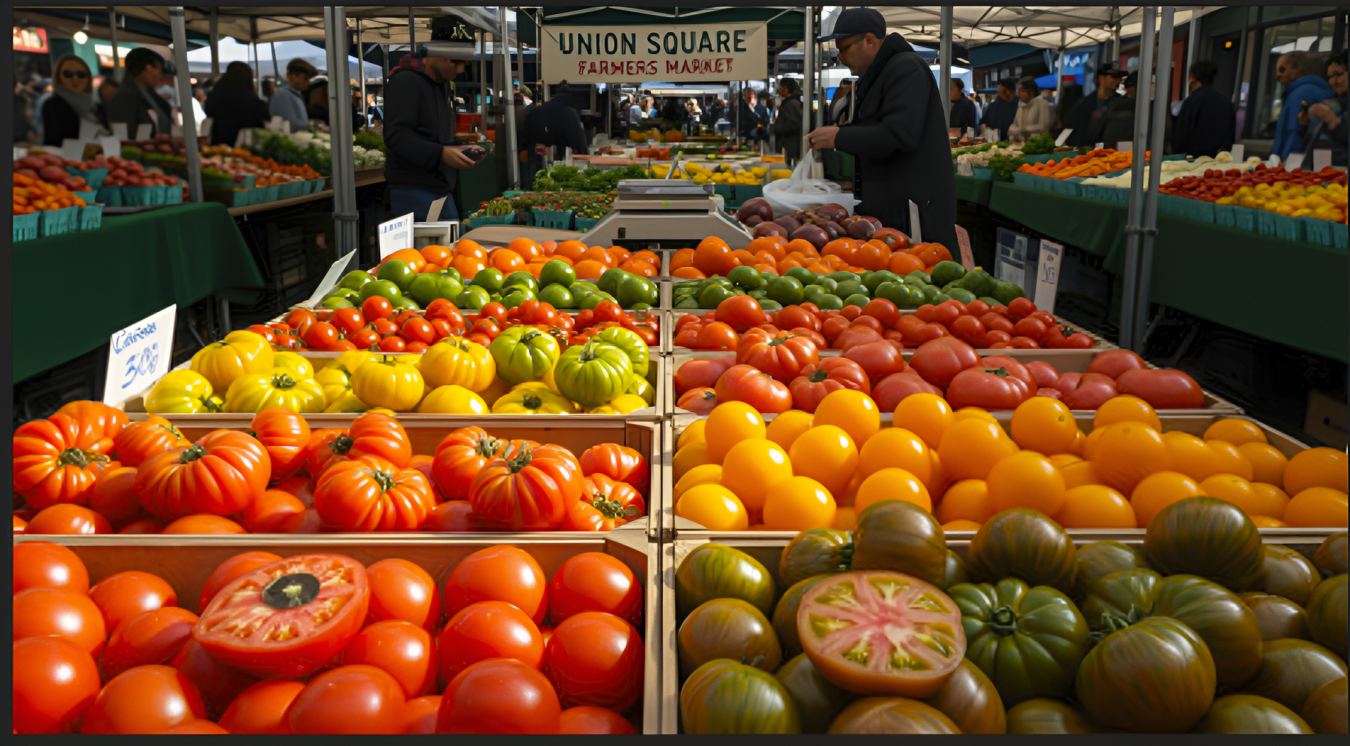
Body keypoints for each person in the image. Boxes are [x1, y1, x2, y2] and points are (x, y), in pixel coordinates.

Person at [806, 7, 958, 250]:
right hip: (894, 210)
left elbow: (900, 134)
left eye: (843, 49)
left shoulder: (906, 68)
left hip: (912, 212)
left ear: (868, 40)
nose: (840, 58)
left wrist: (839, 136)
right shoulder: (881, 73)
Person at [383, 28, 483, 222]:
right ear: (442, 56)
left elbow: (433, 135)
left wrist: (458, 148)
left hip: (440, 188)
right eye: (458, 63)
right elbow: (397, 136)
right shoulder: (406, 81)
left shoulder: (440, 83)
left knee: (448, 247)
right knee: (427, 251)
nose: (461, 70)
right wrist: (441, 153)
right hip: (414, 189)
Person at [522, 80, 589, 186]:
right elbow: (579, 140)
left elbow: (526, 138)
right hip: (561, 164)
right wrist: (584, 156)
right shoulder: (569, 114)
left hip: (536, 164)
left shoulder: (534, 112)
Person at [1272, 51, 1335, 161]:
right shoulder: (1315, 91)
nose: (1278, 76)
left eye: (1282, 70)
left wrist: (1285, 165)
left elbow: (1293, 131)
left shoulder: (1300, 94)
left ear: (1298, 68)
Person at [1172, 60, 1236, 158]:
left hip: (1193, 162)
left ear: (1192, 77)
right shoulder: (1225, 102)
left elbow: (1181, 138)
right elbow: (1230, 138)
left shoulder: (1192, 100)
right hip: (1219, 161)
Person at [106, 47, 173, 135]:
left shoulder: (144, 93)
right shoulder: (126, 96)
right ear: (148, 67)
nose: (160, 75)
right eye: (159, 68)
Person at [205, 61, 271, 146]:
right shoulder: (252, 99)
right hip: (248, 148)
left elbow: (209, 112)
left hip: (219, 146)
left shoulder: (217, 92)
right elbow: (266, 117)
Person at [42, 55, 103, 146]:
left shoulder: (97, 107)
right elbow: (55, 139)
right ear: (58, 77)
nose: (75, 79)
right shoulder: (53, 105)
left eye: (81, 74)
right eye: (68, 74)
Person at [1300, 53, 1348, 166]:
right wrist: (1304, 125)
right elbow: (1310, 141)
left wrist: (1333, 122)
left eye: (1338, 74)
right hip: (1322, 166)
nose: (1334, 81)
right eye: (1330, 77)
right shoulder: (1328, 104)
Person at [1062, 64, 1123, 147]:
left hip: (1111, 149)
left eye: (1119, 78)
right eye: (1114, 76)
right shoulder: (1083, 103)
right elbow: (1071, 124)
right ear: (1101, 77)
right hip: (1086, 149)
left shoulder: (1121, 102)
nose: (1118, 81)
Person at [270, 58, 315, 132]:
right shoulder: (282, 94)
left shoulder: (294, 94)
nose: (308, 82)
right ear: (290, 76)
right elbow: (289, 124)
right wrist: (311, 126)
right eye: (306, 78)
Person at [1009, 76, 1055, 141]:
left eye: (1022, 91)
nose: (1019, 93)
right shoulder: (1020, 105)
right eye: (1018, 90)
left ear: (1031, 91)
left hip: (1038, 143)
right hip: (1021, 144)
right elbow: (1015, 123)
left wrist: (1023, 129)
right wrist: (1012, 131)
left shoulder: (1041, 103)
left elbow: (1043, 126)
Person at [772, 77, 803, 162]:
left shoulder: (791, 104)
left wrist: (776, 128)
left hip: (790, 146)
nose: (779, 90)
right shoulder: (793, 102)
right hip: (790, 145)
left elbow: (794, 125)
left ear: (786, 89)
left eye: (781, 88)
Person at [980, 77, 1019, 142]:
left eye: (1001, 92)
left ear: (1009, 92)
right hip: (994, 142)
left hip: (1014, 141)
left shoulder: (1019, 104)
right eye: (999, 91)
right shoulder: (994, 104)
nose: (999, 94)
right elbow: (983, 121)